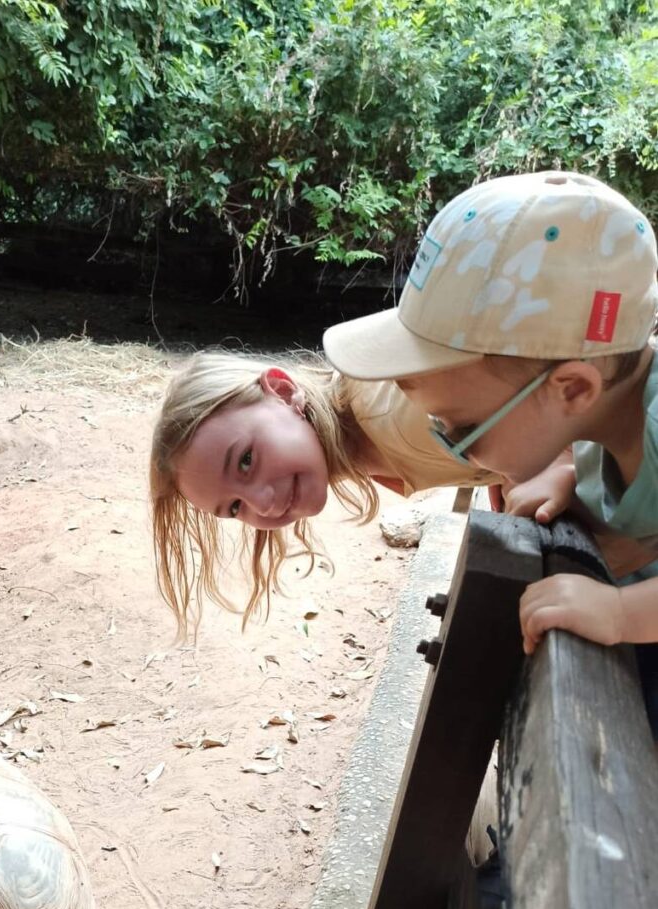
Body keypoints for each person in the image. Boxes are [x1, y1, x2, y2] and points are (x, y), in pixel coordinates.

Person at [321, 169, 658, 729]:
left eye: (462, 429)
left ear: (572, 389)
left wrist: (622, 613)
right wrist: (572, 475)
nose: (455, 451)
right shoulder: (602, 421)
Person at [150, 350, 501, 638]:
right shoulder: (370, 443)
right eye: (235, 507)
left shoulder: (394, 412)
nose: (264, 503)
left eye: (245, 460)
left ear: (284, 393)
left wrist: (540, 465)